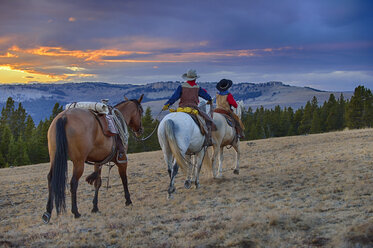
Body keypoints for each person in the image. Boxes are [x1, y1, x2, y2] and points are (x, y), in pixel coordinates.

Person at [162, 69, 214, 146]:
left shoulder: (181, 86)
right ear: (195, 78)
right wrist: (210, 100)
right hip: (193, 109)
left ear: (187, 78)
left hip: (181, 109)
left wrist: (167, 104)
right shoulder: (198, 88)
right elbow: (206, 96)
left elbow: (174, 97)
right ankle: (208, 139)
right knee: (208, 121)